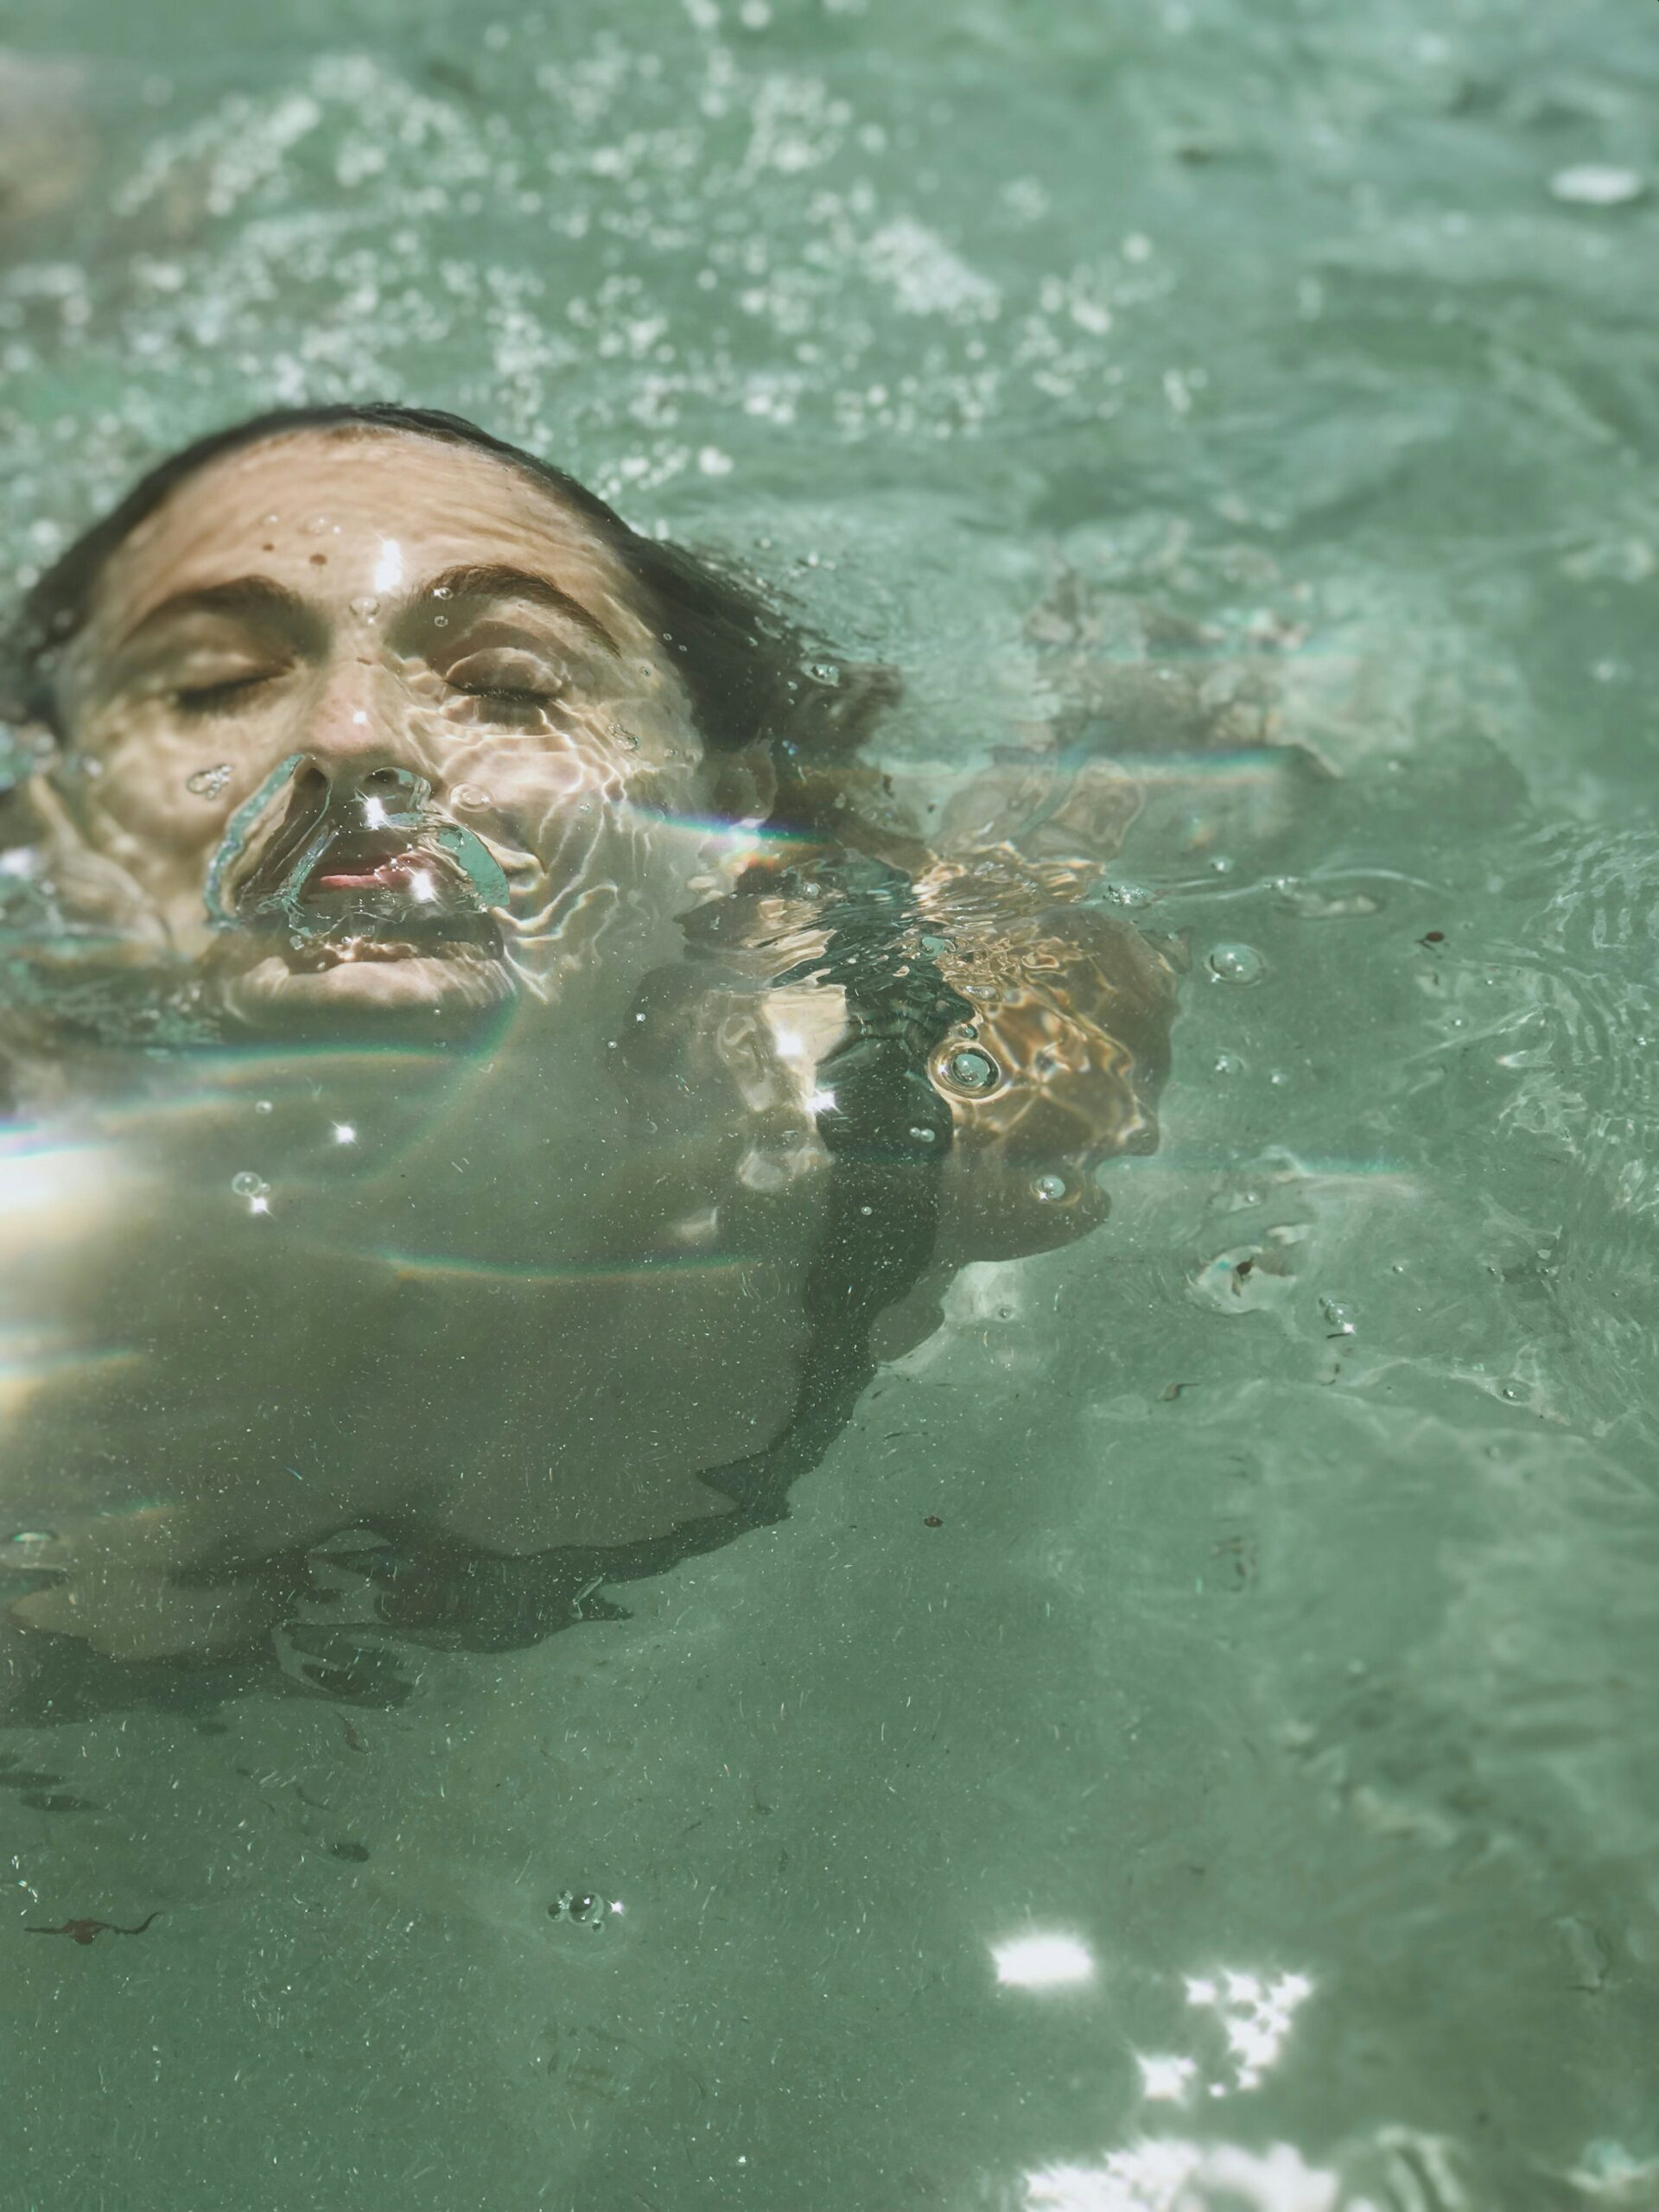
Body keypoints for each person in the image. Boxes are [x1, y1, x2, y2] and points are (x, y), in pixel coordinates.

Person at [0, 403, 1179, 1713]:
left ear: (716, 803)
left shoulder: (914, 1123)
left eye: (509, 685)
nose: (350, 737)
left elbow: (1100, 809)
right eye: (215, 683)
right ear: (50, 812)